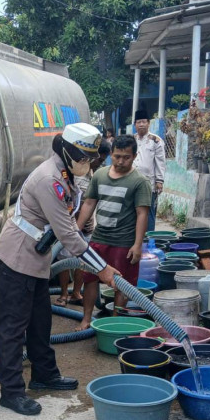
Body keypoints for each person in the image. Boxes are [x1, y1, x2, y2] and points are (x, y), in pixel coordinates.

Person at [0, 123, 119, 416]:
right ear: (68, 151)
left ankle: (44, 374)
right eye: (84, 158)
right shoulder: (50, 179)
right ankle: (10, 392)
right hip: (17, 258)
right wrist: (103, 270)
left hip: (35, 258)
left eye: (91, 159)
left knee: (40, 321)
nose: (88, 164)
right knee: (13, 328)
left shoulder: (64, 174)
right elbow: (69, 236)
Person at [76, 134, 152, 330]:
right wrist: (75, 230)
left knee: (122, 284)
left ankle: (116, 323)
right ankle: (86, 319)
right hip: (99, 239)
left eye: (126, 157)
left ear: (134, 156)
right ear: (111, 154)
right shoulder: (100, 175)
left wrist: (137, 245)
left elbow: (142, 213)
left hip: (124, 242)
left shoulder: (139, 181)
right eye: (117, 156)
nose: (120, 161)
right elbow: (89, 203)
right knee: (90, 279)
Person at [56, 140, 111, 306]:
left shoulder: (95, 176)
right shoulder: (75, 172)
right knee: (65, 260)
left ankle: (76, 293)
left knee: (82, 261)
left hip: (86, 227)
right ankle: (64, 294)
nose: (98, 163)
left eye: (102, 161)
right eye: (98, 160)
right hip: (70, 225)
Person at [132, 110, 165, 231]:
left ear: (148, 123)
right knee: (132, 212)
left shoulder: (156, 141)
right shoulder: (131, 140)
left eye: (143, 122)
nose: (141, 124)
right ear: (135, 124)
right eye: (138, 122)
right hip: (131, 182)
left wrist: (159, 181)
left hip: (149, 183)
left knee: (149, 212)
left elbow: (160, 162)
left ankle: (149, 239)